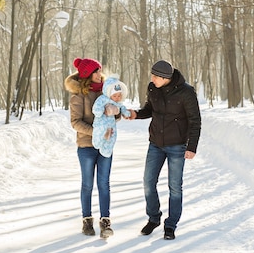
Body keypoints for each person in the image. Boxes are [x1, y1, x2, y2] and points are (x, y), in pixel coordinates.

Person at [130, 60, 201, 240]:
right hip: (155, 143)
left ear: (165, 77)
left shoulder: (186, 92)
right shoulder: (153, 88)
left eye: (155, 76)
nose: (152, 79)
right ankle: (154, 218)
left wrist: (191, 146)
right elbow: (149, 109)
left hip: (177, 145)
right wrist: (136, 114)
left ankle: (170, 225)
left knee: (175, 187)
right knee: (148, 182)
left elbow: (195, 121)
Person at [64, 57, 116, 238]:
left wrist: (115, 113)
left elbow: (113, 117)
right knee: (87, 184)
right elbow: (75, 122)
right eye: (95, 71)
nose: (99, 74)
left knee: (104, 183)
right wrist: (96, 131)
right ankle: (87, 220)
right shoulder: (78, 96)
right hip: (86, 146)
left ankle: (105, 221)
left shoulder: (107, 93)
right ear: (86, 75)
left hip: (105, 146)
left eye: (99, 70)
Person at [92, 77, 131, 158]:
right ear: (109, 93)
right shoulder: (103, 99)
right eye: (115, 95)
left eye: (119, 96)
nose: (117, 98)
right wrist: (100, 111)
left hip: (111, 124)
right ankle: (97, 143)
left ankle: (106, 151)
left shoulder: (118, 103)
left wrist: (125, 112)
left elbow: (122, 107)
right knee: (99, 132)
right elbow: (97, 106)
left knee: (112, 136)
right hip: (101, 122)